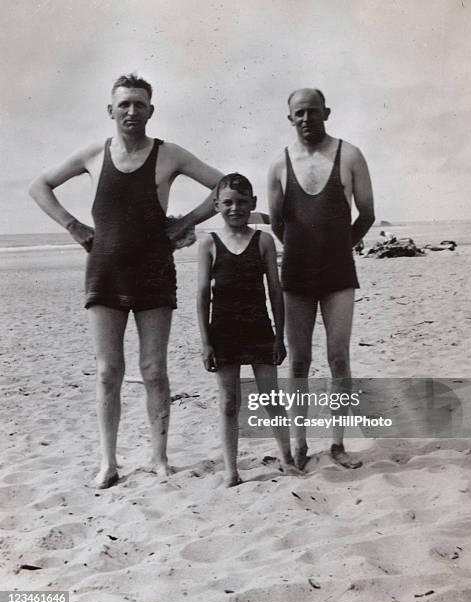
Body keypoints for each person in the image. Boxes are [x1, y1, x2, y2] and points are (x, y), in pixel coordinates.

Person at [29, 74, 223, 488]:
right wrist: (74, 227)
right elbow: (39, 185)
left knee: (153, 369)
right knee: (108, 372)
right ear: (111, 111)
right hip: (104, 272)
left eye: (139, 104)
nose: (132, 111)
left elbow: (225, 186)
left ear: (151, 110)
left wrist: (186, 223)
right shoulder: (93, 156)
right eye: (124, 105)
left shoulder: (169, 155)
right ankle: (108, 463)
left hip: (154, 272)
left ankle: (159, 457)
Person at [268, 88, 375, 469]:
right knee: (298, 362)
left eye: (313, 112)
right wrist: (301, 249)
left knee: (338, 359)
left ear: (326, 112)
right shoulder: (280, 164)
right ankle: (298, 446)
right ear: (290, 118)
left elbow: (366, 213)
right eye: (299, 113)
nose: (307, 119)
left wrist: (339, 248)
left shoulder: (349, 155)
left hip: (338, 274)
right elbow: (278, 221)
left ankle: (338, 444)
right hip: (296, 274)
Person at [197, 173, 297, 486]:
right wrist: (206, 342)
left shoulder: (263, 241)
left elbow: (276, 292)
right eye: (227, 202)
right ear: (216, 205)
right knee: (229, 403)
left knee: (271, 398)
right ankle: (231, 470)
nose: (235, 208)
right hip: (223, 332)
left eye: (242, 202)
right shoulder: (208, 244)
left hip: (259, 330)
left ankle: (287, 459)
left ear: (253, 204)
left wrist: (280, 336)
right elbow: (201, 295)